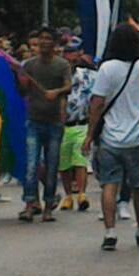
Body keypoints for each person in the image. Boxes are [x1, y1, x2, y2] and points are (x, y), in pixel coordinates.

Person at [83, 24, 139, 251]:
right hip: (137, 136)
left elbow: (97, 104)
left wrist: (89, 135)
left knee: (109, 184)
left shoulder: (106, 69)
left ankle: (110, 232)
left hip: (110, 138)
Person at [18, 27, 72, 223]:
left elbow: (69, 85)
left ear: (54, 43)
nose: (44, 43)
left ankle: (49, 204)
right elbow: (23, 90)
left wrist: (56, 92)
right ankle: (30, 202)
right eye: (41, 39)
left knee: (51, 166)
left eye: (48, 39)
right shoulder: (30, 65)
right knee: (32, 165)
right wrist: (21, 79)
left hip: (54, 122)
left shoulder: (62, 65)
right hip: (34, 120)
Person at [58, 39, 94, 213]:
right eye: (68, 53)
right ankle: (67, 196)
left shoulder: (87, 75)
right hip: (63, 126)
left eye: (74, 53)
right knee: (64, 163)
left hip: (81, 123)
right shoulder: (57, 75)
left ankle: (81, 193)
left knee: (80, 160)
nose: (71, 57)